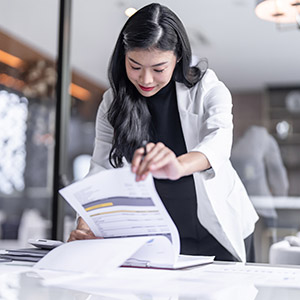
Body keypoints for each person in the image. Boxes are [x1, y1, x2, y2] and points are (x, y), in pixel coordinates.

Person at [68, 3, 258, 262]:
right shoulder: (112, 103)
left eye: (158, 69)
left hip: (220, 226)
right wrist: (86, 225)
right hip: (159, 234)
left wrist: (177, 166)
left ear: (178, 57)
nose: (146, 79)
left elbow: (219, 143)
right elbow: (101, 169)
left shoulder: (208, 89)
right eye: (135, 66)